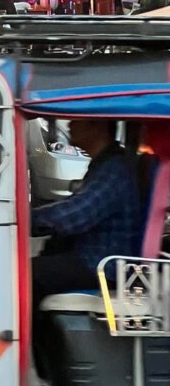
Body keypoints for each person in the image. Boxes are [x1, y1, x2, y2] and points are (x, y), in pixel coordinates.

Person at [31, 118, 143, 303]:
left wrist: (27, 219)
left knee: (29, 273)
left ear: (97, 126)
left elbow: (77, 214)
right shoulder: (105, 164)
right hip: (92, 257)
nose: (69, 124)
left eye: (77, 120)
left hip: (102, 265)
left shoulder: (114, 169)